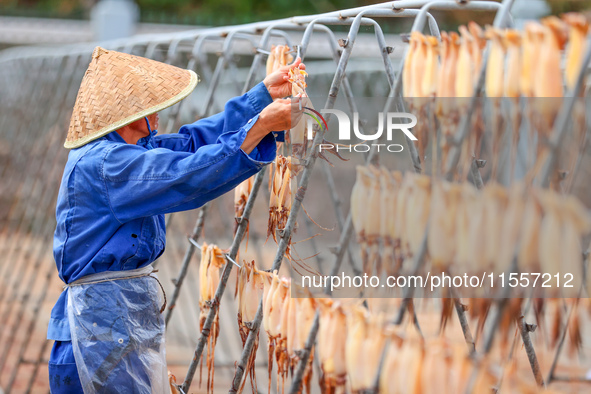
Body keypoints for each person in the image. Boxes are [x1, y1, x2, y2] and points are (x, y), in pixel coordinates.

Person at [47, 46, 304, 393]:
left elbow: (191, 143)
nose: (159, 115)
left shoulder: (128, 151)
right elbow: (185, 174)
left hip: (114, 319)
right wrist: (259, 127)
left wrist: (259, 99)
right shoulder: (107, 164)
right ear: (133, 113)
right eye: (153, 107)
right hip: (97, 331)